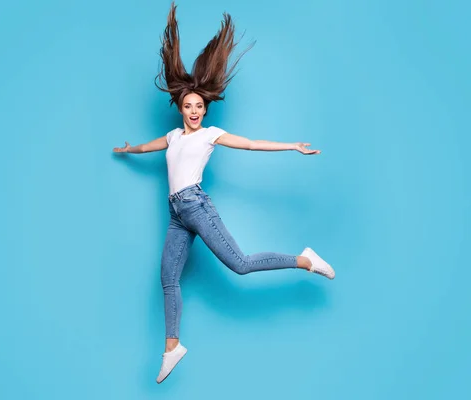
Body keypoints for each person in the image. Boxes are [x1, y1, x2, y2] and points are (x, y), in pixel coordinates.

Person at [113, 2, 335, 384]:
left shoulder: (211, 135)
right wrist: (129, 149)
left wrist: (291, 147)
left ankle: (304, 259)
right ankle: (172, 348)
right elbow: (152, 146)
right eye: (189, 106)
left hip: (197, 207)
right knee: (168, 278)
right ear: (180, 107)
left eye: (200, 106)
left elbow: (249, 144)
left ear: (205, 108)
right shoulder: (172, 136)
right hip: (177, 215)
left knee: (242, 264)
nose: (195, 111)